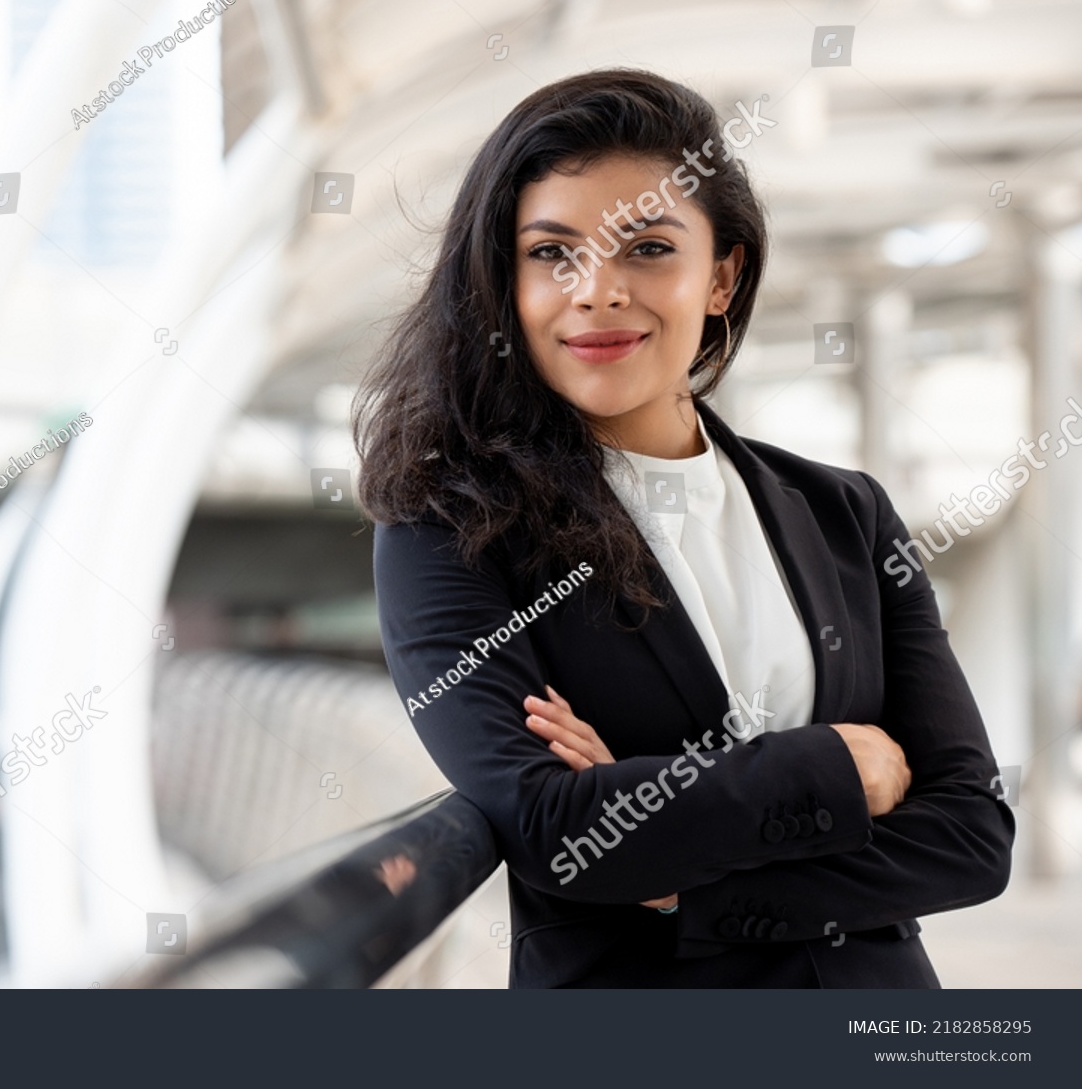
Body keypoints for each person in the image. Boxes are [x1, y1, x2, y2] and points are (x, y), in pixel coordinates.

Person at [353, 69, 1014, 987]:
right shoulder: (448, 531)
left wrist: (677, 876)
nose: (597, 293)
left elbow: (972, 837)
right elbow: (560, 833)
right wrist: (834, 766)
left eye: (650, 248)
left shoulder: (847, 514)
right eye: (552, 254)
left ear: (722, 276)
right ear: (504, 283)